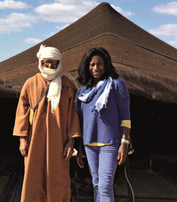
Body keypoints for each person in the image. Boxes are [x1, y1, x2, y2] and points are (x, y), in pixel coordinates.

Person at [13, 44, 81, 202]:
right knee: (33, 175)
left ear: (59, 63)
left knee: (58, 176)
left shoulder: (67, 86)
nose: (49, 65)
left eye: (53, 62)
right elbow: (21, 113)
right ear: (41, 62)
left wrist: (71, 142)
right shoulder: (30, 84)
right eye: (46, 62)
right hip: (34, 140)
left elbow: (73, 115)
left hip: (59, 142)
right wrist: (22, 139)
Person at [75, 47, 131, 202]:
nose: (95, 68)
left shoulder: (116, 85)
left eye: (99, 64)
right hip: (89, 144)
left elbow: (125, 116)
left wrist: (124, 142)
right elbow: (80, 121)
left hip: (110, 143)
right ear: (87, 66)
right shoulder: (83, 91)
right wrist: (79, 148)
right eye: (92, 64)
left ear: (106, 64)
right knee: (96, 184)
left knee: (105, 186)